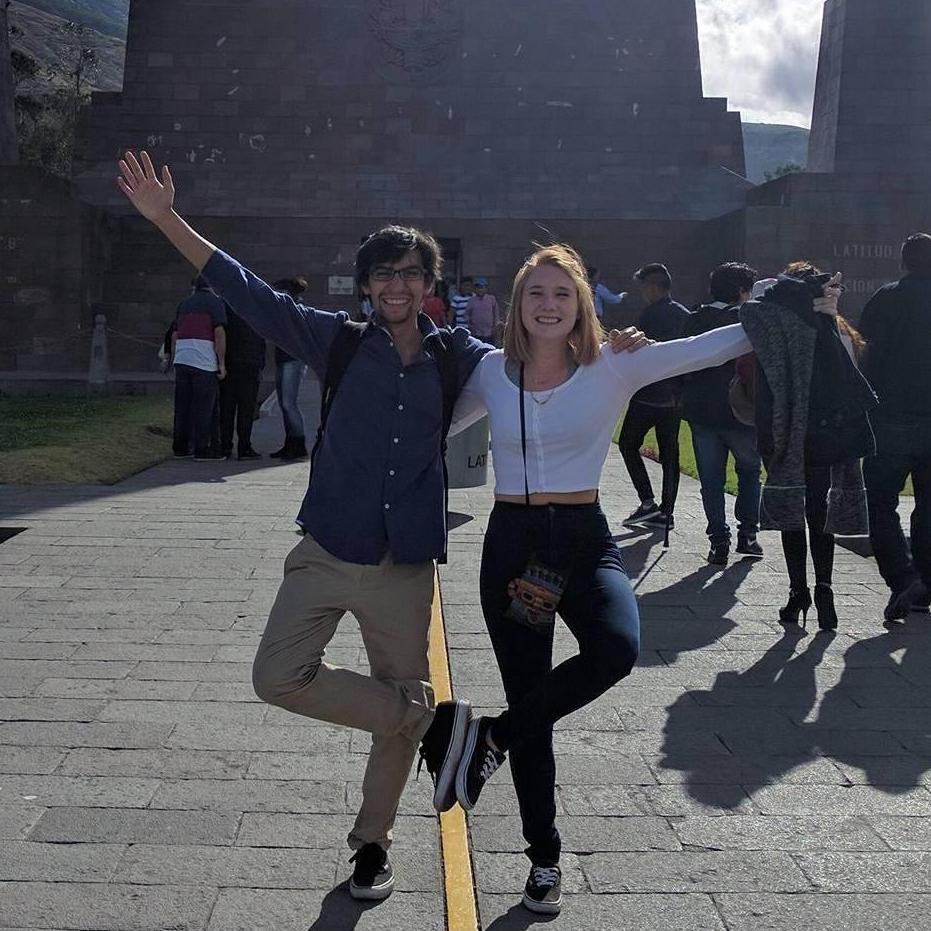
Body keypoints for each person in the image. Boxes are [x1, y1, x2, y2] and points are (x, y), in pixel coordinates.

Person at [116, 149, 648, 901]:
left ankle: (371, 844)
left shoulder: (460, 357)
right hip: (326, 547)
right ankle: (433, 723)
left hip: (403, 565)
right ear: (366, 285)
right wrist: (167, 219)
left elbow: (545, 353)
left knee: (389, 712)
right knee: (278, 676)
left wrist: (616, 339)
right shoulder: (332, 341)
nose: (397, 286)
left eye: (411, 274)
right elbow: (247, 288)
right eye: (384, 273)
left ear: (430, 288)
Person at [447, 244, 755, 916]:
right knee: (536, 704)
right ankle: (544, 858)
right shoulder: (488, 372)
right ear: (518, 305)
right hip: (512, 545)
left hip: (584, 540)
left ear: (581, 303)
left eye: (562, 293)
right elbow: (425, 424)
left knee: (616, 648)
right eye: (536, 294)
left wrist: (785, 306)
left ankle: (488, 737)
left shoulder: (615, 360)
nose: (549, 305)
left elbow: (706, 347)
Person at [753, 262, 865, 632]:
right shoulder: (836, 329)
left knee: (791, 514)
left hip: (789, 433)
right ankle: (825, 590)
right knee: (820, 513)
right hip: (826, 434)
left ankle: (798, 590)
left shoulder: (779, 328)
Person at [861, 233, 931, 621]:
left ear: (904, 262)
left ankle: (903, 578)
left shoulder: (886, 300)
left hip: (891, 419)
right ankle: (925, 584)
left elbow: (867, 357)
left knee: (881, 503)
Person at [680, 263, 763, 564]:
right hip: (742, 410)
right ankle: (748, 534)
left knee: (711, 479)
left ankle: (718, 539)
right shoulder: (748, 319)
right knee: (750, 472)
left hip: (702, 411)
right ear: (742, 291)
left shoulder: (694, 319)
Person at [618, 263, 691, 529]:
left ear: (653, 286)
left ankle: (648, 502)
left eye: (645, 286)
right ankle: (666, 512)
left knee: (628, 443)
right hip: (674, 396)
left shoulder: (650, 315)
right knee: (670, 452)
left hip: (649, 393)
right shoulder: (684, 314)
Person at [170, 275, 227, 461]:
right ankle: (203, 449)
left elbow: (175, 334)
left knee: (182, 406)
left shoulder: (183, 304)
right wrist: (222, 363)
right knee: (204, 407)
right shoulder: (215, 303)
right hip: (203, 362)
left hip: (182, 359)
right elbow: (218, 333)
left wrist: (174, 358)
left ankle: (180, 447)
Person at [269, 277, 310, 461]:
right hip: (284, 358)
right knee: (284, 403)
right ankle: (290, 442)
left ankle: (298, 443)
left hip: (293, 359)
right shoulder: (286, 309)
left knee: (288, 402)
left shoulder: (296, 309)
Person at [219, 304, 266, 460]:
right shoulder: (255, 310)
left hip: (230, 363)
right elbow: (261, 341)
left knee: (227, 408)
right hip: (250, 364)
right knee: (246, 409)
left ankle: (225, 446)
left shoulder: (225, 308)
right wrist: (261, 364)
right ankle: (244, 446)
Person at [466, 276, 500, 344]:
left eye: (481, 287)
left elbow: (496, 313)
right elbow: (467, 314)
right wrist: (471, 327)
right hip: (476, 333)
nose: (479, 290)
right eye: (477, 287)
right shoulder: (471, 300)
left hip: (489, 332)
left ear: (486, 288)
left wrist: (495, 326)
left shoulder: (491, 299)